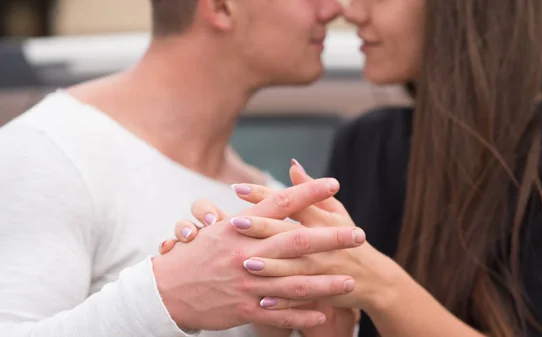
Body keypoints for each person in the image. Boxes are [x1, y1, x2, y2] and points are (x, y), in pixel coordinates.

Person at [163, 0, 542, 336]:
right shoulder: (367, 142)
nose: (350, 11)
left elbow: (366, 277)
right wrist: (265, 268)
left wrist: (379, 283)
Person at [0, 0, 368, 336]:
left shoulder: (263, 199)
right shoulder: (49, 151)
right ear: (222, 7)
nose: (333, 8)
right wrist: (168, 298)